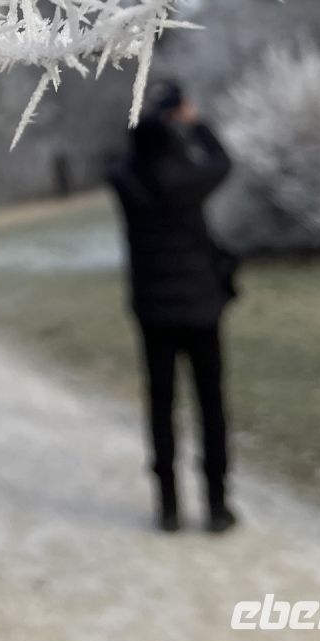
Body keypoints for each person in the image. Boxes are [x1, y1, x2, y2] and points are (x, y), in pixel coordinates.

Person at [107, 77, 237, 535]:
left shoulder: (125, 178)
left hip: (152, 311)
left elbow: (128, 159)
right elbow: (223, 162)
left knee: (160, 406)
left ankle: (168, 507)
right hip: (201, 306)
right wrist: (195, 124)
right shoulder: (189, 176)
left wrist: (148, 123)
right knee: (210, 405)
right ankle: (217, 507)